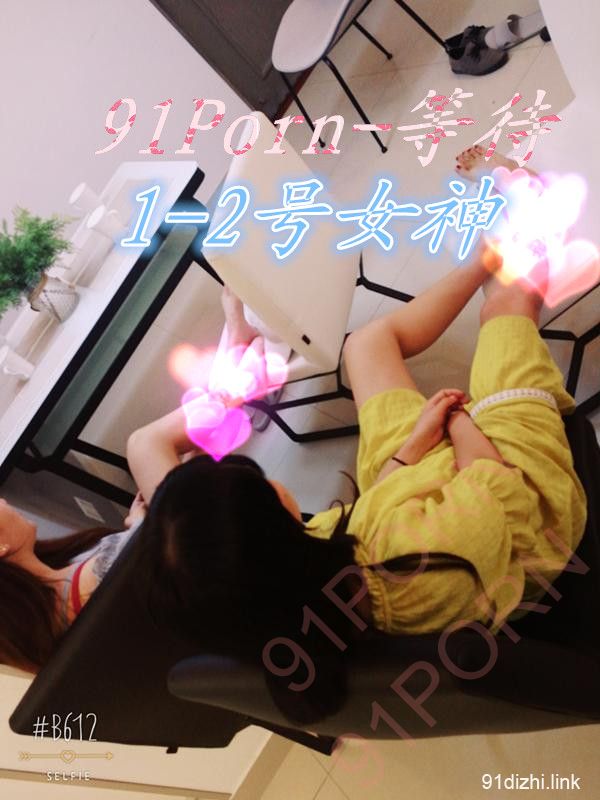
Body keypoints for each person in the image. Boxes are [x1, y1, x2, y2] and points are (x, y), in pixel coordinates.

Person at [128, 227, 586, 723]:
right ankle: (518, 253)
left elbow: (369, 511)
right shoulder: (418, 564)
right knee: (505, 306)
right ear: (275, 530)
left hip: (417, 498)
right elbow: (500, 486)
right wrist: (459, 421)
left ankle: (483, 258)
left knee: (364, 347)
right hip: (520, 504)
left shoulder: (291, 590)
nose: (272, 483)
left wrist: (412, 447)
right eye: (262, 489)